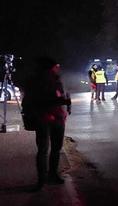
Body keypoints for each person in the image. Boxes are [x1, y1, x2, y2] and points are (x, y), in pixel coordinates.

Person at [21, 57, 72, 190]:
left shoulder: (52, 80)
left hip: (53, 118)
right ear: (50, 68)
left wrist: (64, 104)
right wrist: (62, 102)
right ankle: (46, 179)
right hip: (46, 119)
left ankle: (47, 178)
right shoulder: (43, 81)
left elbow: (58, 96)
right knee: (48, 149)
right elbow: (36, 101)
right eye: (56, 66)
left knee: (48, 149)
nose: (58, 68)